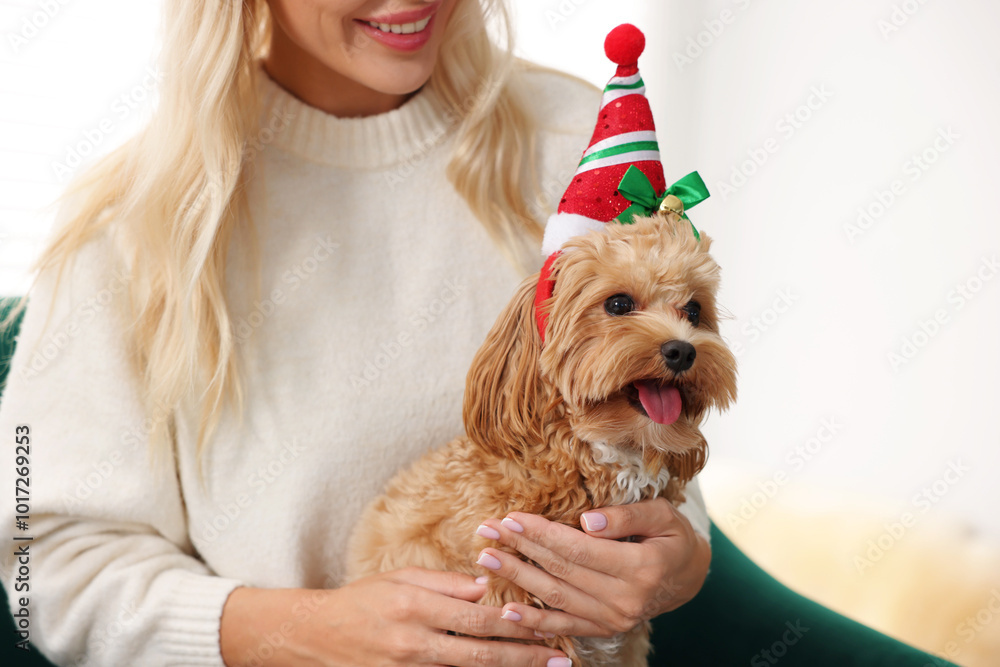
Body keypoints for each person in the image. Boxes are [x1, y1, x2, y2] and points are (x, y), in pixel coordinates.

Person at [0, 1, 712, 665]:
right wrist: (298, 631)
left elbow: (657, 437)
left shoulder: (579, 141)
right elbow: (45, 561)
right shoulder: (135, 220)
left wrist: (675, 565)